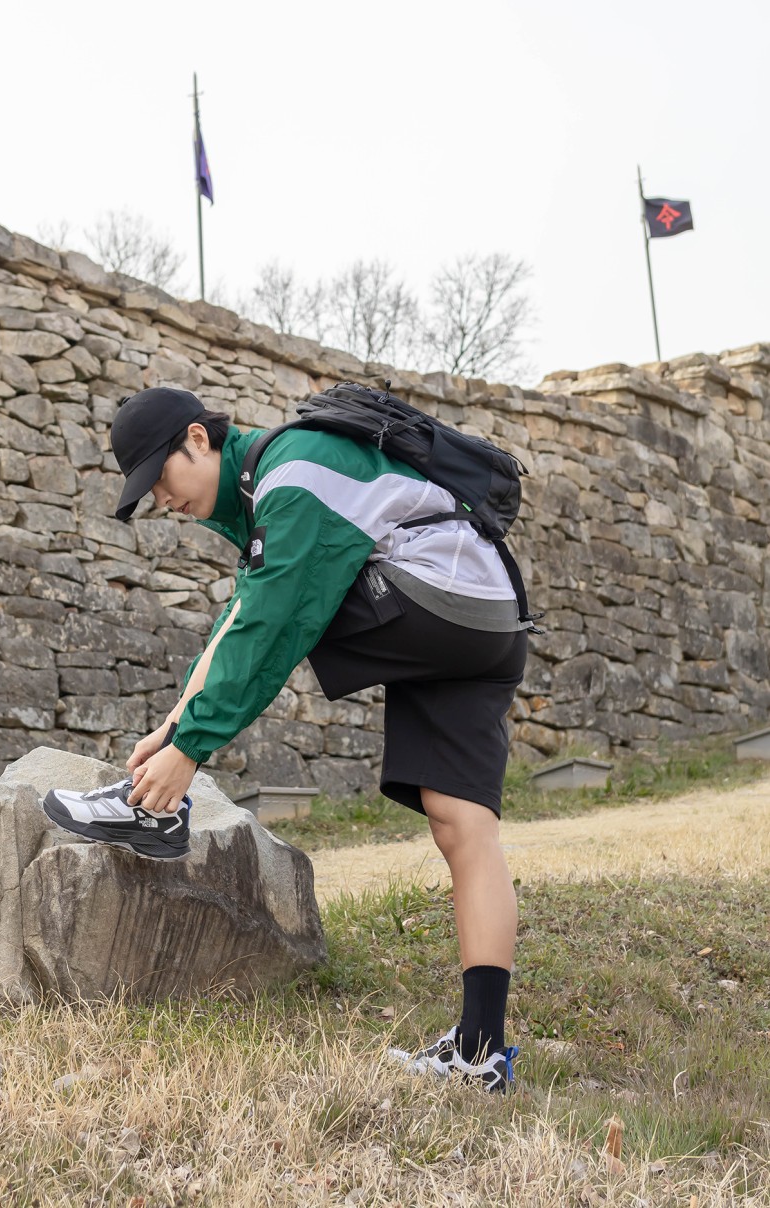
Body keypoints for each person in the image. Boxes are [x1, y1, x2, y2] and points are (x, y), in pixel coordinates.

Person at [43, 386, 530, 1092]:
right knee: (464, 829)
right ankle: (482, 1054)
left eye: (161, 477)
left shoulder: (295, 473)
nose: (161, 501)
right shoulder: (271, 495)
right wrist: (174, 727)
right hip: (485, 627)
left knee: (282, 605)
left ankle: (162, 806)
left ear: (199, 440)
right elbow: (247, 610)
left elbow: (269, 622)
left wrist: (191, 749)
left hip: (441, 601)